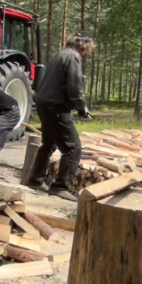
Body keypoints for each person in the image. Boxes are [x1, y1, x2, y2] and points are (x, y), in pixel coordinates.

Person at [26, 31, 96, 202]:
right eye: (86, 50)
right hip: (56, 106)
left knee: (49, 142)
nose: (85, 54)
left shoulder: (61, 55)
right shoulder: (73, 57)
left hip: (44, 103)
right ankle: (60, 186)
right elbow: (75, 87)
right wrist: (82, 107)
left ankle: (36, 179)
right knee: (73, 147)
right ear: (81, 45)